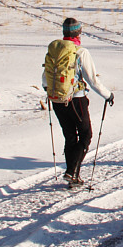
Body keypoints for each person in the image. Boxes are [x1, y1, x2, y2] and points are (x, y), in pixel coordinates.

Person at [43, 18, 114, 188]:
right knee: (86, 135)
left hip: (57, 99)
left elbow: (45, 78)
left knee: (70, 136)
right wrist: (108, 95)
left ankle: (72, 174)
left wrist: (51, 91)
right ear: (79, 32)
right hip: (77, 99)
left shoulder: (55, 50)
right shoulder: (80, 52)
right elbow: (92, 80)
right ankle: (72, 172)